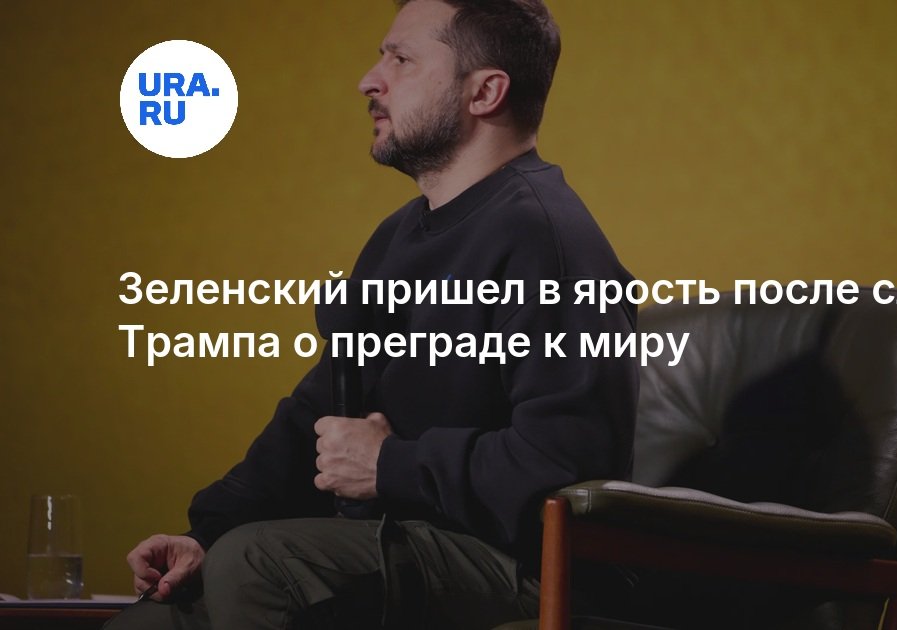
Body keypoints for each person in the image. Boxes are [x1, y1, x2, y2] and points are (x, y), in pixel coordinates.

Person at [105, 1, 639, 628]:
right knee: (152, 619)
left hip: (524, 568)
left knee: (259, 563)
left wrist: (391, 465)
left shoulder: (546, 240)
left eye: (401, 59)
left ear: (485, 92)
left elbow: (568, 463)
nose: (369, 80)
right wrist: (206, 533)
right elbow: (318, 413)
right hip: (401, 548)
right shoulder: (397, 237)